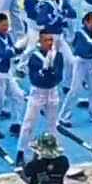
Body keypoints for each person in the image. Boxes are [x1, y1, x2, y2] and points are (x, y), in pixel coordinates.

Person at [18, 31, 66, 166]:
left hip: (52, 91)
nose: (49, 43)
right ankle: (20, 152)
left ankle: (53, 153)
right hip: (38, 92)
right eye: (46, 40)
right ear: (40, 42)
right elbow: (34, 79)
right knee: (29, 122)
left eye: (51, 40)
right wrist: (44, 74)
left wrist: (49, 73)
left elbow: (59, 76)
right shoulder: (35, 57)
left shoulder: (58, 56)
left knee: (52, 123)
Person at [0, 14, 25, 138]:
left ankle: (16, 123)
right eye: (3, 25)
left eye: (7, 25)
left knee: (18, 95)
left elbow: (12, 51)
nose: (6, 28)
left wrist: (18, 50)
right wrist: (14, 51)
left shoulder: (7, 36)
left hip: (7, 73)